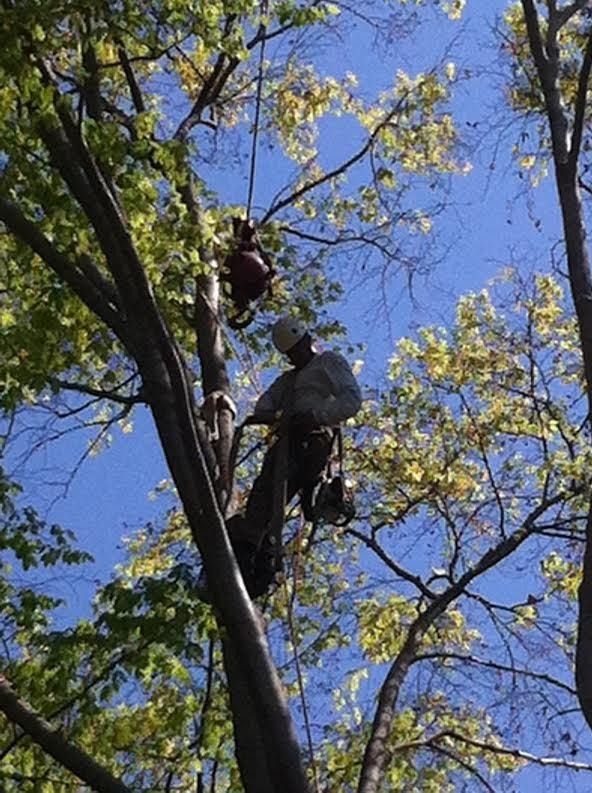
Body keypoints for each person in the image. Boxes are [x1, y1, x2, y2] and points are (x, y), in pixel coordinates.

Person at [226, 316, 362, 598]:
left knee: (290, 482)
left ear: (308, 341)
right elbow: (264, 407)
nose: (296, 357)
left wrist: (316, 416)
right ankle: (254, 558)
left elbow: (351, 400)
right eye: (291, 354)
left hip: (314, 439)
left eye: (299, 349)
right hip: (286, 441)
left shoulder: (328, 363)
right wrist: (277, 417)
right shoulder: (286, 382)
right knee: (263, 501)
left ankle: (266, 547)